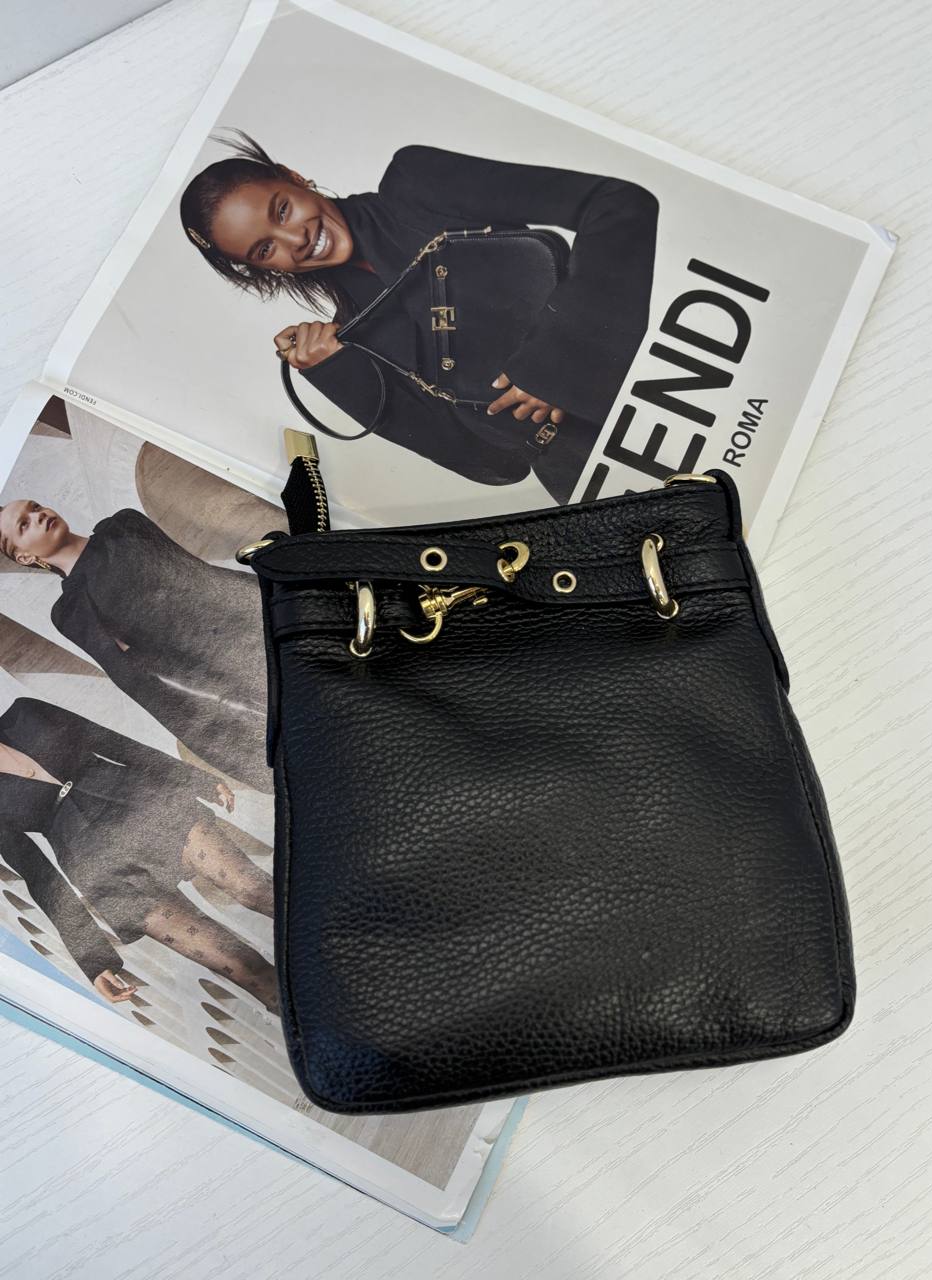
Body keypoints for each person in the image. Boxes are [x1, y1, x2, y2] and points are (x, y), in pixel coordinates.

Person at [180, 133, 660, 503]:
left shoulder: (415, 184)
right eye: (265, 249)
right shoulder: (351, 338)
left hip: (659, 381)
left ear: (292, 176)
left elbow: (617, 203)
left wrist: (558, 359)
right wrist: (339, 374)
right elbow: (495, 465)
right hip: (593, 479)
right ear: (263, 269)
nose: (295, 240)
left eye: (282, 210)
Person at [0, 696, 278, 1014]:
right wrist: (92, 959)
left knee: (255, 890)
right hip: (99, 870)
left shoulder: (25, 712)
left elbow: (113, 742)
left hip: (146, 809)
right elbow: (39, 876)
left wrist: (195, 780)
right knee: (239, 966)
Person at [0, 498, 272, 794]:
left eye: (35, 508)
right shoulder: (72, 610)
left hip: (262, 613)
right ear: (24, 557)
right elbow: (142, 685)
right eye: (24, 525)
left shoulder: (123, 526)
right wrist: (235, 757)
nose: (39, 516)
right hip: (234, 669)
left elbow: (199, 571)